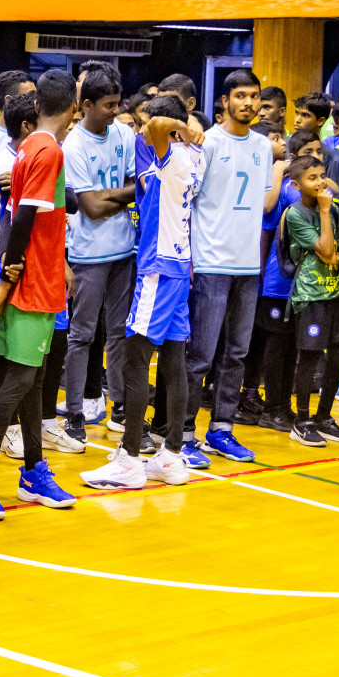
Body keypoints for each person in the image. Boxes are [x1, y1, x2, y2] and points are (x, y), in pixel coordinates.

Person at [0, 73, 78, 519]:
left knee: (30, 382)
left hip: (33, 280)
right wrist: (9, 279)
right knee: (16, 385)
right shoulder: (49, 149)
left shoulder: (28, 146)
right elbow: (25, 216)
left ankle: (34, 471)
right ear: (74, 105)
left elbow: (16, 214)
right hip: (35, 284)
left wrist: (8, 276)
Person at [84, 94, 205, 490]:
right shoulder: (192, 155)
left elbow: (154, 129)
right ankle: (171, 456)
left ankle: (130, 459)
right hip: (179, 266)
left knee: (136, 360)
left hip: (158, 269)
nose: (139, 127)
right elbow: (154, 131)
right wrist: (185, 127)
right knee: (173, 360)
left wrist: (175, 125)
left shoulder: (169, 150)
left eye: (143, 120)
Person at [182, 70, 270, 464]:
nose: (248, 103)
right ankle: (182, 434)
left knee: (236, 353)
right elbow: (188, 201)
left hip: (248, 266)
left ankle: (222, 428)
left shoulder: (264, 146)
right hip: (211, 263)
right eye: (240, 96)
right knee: (200, 355)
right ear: (224, 101)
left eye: (254, 96)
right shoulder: (208, 143)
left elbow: (261, 205)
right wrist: (189, 258)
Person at [61, 69, 136, 443]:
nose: (114, 111)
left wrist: (112, 195)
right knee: (82, 336)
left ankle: (119, 405)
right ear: (86, 105)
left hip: (125, 250)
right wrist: (120, 193)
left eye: (117, 104)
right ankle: (74, 413)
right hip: (89, 254)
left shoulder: (123, 132)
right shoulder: (73, 145)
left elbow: (137, 185)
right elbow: (89, 207)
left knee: (120, 334)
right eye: (107, 105)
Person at [282, 154, 339, 445]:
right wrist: (325, 211)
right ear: (296, 184)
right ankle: (302, 420)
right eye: (312, 178)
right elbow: (326, 250)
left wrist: (337, 253)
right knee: (310, 356)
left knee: (338, 355)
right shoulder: (296, 213)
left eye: (322, 175)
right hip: (311, 295)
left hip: (337, 291)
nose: (320, 182)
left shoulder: (334, 209)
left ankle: (324, 416)